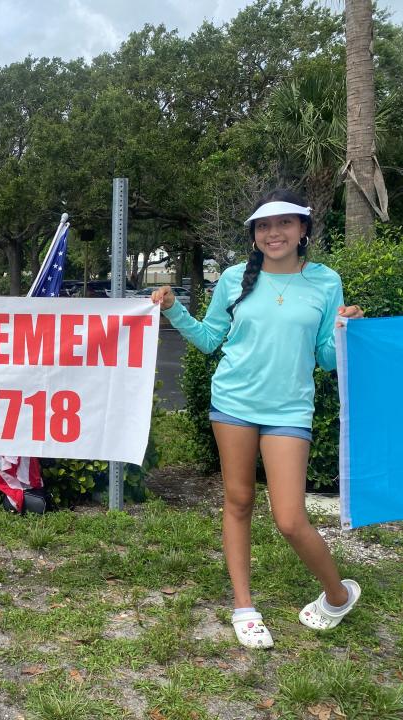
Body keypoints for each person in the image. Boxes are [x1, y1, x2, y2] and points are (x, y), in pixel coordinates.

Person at [152, 189, 364, 649]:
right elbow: (210, 340)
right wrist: (174, 310)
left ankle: (338, 594)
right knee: (239, 501)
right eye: (265, 226)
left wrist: (346, 328)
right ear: (254, 234)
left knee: (289, 518)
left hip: (289, 409)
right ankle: (244, 607)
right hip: (233, 402)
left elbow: (327, 359)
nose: (275, 233)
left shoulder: (326, 281)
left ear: (303, 229)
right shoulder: (233, 278)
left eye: (285, 223)